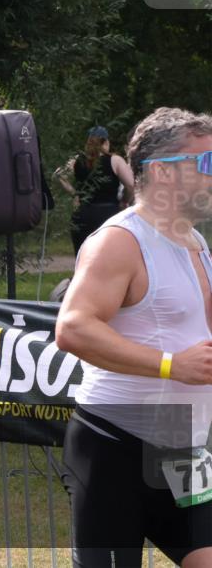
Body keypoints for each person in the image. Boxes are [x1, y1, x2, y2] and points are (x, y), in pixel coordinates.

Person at [55, 107, 212, 567]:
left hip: (184, 447)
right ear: (162, 173)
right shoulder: (120, 241)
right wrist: (169, 364)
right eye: (205, 163)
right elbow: (73, 327)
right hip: (114, 446)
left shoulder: (196, 244)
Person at [55, 125, 134, 255]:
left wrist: (75, 194)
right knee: (109, 257)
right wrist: (125, 200)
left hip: (82, 215)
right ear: (106, 142)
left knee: (83, 257)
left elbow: (58, 175)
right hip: (108, 214)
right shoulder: (115, 160)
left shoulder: (77, 160)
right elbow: (130, 185)